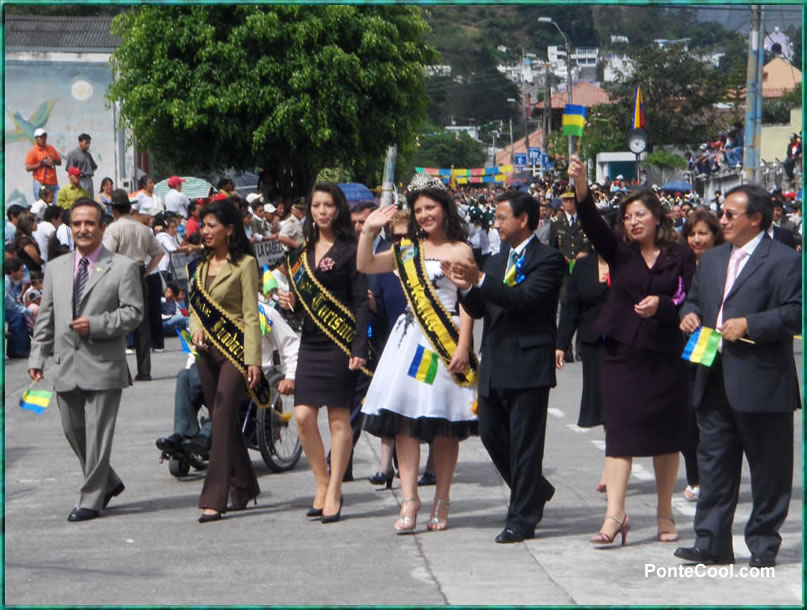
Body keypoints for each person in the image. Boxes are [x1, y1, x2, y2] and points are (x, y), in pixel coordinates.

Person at [568, 156, 696, 547]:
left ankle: (664, 512)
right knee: (619, 435)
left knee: (666, 437)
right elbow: (591, 222)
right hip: (622, 354)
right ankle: (614, 517)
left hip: (666, 355)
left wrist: (664, 306)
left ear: (657, 217)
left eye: (640, 214)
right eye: (627, 216)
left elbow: (692, 299)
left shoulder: (681, 256)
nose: (633, 222)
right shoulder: (619, 251)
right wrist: (582, 186)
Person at [675, 184, 801, 569]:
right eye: (722, 212)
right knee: (713, 464)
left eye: (730, 214)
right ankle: (711, 541)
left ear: (756, 219)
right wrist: (689, 314)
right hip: (711, 373)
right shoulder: (712, 260)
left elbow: (795, 311)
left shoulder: (784, 260)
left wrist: (751, 323)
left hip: (761, 379)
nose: (722, 219)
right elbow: (696, 298)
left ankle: (763, 543)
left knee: (768, 468)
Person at [442, 190, 566, 543]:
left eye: (501, 217)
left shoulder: (549, 259)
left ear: (523, 219)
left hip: (528, 363)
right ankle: (535, 489)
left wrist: (479, 280)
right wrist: (466, 288)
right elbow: (481, 308)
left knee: (527, 443)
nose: (495, 223)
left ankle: (522, 516)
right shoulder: (495, 261)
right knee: (492, 434)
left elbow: (523, 300)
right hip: (495, 362)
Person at [358, 176, 478, 534]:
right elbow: (365, 265)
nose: (425, 215)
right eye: (419, 209)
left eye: (431, 207)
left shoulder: (460, 250)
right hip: (410, 344)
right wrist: (368, 230)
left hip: (444, 343)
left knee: (443, 424)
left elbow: (468, 300)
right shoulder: (407, 251)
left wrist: (463, 345)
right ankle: (410, 499)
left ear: (444, 209)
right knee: (405, 421)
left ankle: (442, 498)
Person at [28, 198, 144, 521]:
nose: (83, 229)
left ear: (102, 227)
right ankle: (107, 481)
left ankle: (91, 499)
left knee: (97, 434)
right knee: (73, 430)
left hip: (104, 364)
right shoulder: (55, 268)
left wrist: (97, 325)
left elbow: (134, 313)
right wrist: (38, 356)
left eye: (89, 223)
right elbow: (46, 317)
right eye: (77, 224)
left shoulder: (122, 267)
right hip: (66, 364)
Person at [277, 182, 369, 524]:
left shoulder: (350, 248)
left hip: (341, 342)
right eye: (316, 205)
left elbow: (361, 300)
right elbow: (302, 307)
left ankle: (334, 491)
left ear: (338, 209)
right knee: (302, 416)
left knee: (338, 419)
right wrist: (291, 303)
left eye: (329, 205)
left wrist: (359, 346)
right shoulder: (301, 253)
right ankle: (322, 481)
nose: (322, 211)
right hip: (312, 342)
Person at [188, 199, 263, 522]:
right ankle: (244, 486)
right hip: (206, 353)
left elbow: (250, 314)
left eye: (211, 226)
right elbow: (193, 307)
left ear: (229, 230)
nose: (205, 231)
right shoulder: (201, 265)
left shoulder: (244, 264)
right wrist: (196, 330)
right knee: (225, 418)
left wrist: (253, 360)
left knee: (220, 416)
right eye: (203, 226)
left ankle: (214, 497)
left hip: (235, 350)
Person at [158, 290, 299, 459]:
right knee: (184, 377)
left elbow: (291, 345)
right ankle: (182, 434)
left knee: (227, 380)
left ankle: (208, 434)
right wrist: (193, 370)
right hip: (216, 375)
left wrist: (290, 376)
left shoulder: (264, 312)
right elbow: (194, 354)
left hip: (253, 382)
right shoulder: (213, 314)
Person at [555, 238, 612, 492]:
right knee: (603, 405)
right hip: (593, 344)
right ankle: (613, 462)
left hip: (626, 343)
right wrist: (561, 343)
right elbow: (570, 308)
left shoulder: (630, 264)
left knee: (619, 405)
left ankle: (614, 463)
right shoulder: (583, 266)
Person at [679, 209, 724, 502]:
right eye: (692, 234)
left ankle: (708, 478)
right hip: (679, 346)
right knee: (685, 418)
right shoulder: (680, 264)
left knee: (705, 414)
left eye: (703, 233)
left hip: (711, 344)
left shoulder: (724, 264)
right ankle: (694, 476)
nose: (696, 239)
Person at [362, 208, 409, 487]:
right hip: (386, 345)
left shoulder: (425, 262)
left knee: (412, 407)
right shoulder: (381, 267)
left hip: (419, 346)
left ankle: (422, 465)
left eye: (405, 237)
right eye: (395, 237)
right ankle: (385, 465)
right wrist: (370, 304)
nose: (400, 243)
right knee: (388, 403)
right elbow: (376, 311)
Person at [102, 189, 164, 381]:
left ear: (114, 210)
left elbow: (107, 254)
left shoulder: (114, 229)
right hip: (138, 272)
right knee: (141, 323)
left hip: (120, 274)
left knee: (118, 321)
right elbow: (158, 253)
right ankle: (144, 370)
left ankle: (123, 372)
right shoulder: (143, 229)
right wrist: (145, 271)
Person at [24, 127, 61, 201]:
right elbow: (28, 168)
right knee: (42, 205)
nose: (44, 139)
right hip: (40, 183)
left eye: (45, 137)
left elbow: (59, 162)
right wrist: (42, 163)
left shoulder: (51, 148)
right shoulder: (33, 151)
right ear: (36, 138)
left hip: (53, 182)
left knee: (56, 205)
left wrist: (53, 160)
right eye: (41, 137)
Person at [5, 258, 32, 358]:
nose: (23, 274)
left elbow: (15, 302)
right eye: (21, 271)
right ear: (12, 272)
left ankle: (19, 349)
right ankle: (17, 351)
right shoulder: (6, 283)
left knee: (20, 315)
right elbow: (10, 306)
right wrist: (29, 311)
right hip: (6, 310)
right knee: (17, 317)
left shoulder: (10, 281)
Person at [64, 133, 98, 198]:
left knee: (90, 200)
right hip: (80, 180)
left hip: (88, 180)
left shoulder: (88, 155)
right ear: (80, 142)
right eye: (86, 143)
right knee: (81, 199)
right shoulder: (73, 153)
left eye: (89, 143)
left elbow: (93, 167)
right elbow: (70, 170)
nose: (88, 145)